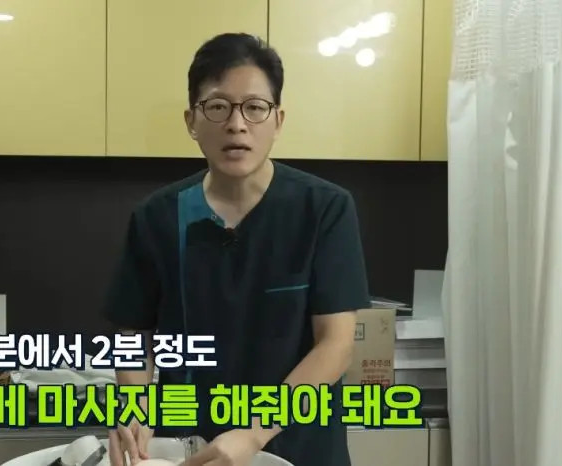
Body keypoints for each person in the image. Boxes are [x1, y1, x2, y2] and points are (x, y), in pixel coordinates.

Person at [102, 32, 370, 466]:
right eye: (218, 106)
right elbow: (134, 335)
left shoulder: (324, 209)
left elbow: (335, 344)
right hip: (191, 448)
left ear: (278, 120)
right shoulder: (157, 217)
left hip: (298, 446)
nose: (237, 124)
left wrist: (254, 433)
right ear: (192, 120)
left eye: (255, 107)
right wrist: (134, 409)